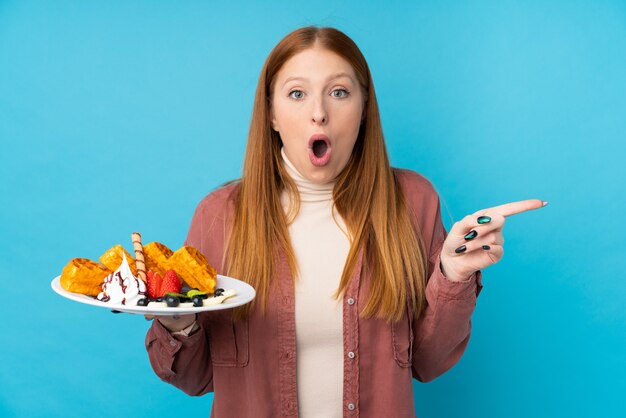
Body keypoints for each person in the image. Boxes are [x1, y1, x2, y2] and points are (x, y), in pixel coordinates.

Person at [144, 26, 546, 417]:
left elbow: (429, 362)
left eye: (339, 92)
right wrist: (178, 323)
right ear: (272, 114)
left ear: (364, 108)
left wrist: (453, 275)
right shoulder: (219, 216)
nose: (319, 113)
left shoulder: (413, 202)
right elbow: (193, 378)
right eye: (297, 94)